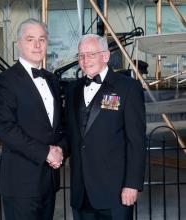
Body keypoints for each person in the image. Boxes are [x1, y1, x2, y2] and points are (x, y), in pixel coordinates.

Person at [0, 18, 66, 220]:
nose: (37, 44)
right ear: (19, 44)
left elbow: (58, 127)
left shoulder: (51, 79)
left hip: (49, 181)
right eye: (30, 39)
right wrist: (46, 153)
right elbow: (6, 130)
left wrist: (60, 150)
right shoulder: (3, 82)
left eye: (42, 39)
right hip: (20, 184)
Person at [65, 34, 146, 220]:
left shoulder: (128, 88)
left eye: (91, 54)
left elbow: (136, 141)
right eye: (81, 55)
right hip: (81, 192)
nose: (85, 60)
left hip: (116, 192)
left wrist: (132, 184)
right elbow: (70, 134)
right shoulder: (72, 90)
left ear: (106, 56)